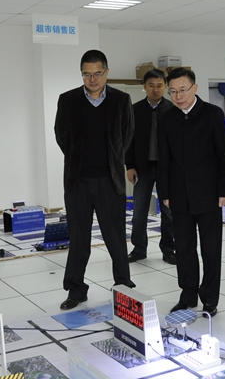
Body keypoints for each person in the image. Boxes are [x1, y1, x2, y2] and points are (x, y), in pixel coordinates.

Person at [54, 49, 134, 310]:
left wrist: (112, 158)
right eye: (86, 74)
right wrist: (78, 158)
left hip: (110, 181)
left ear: (106, 72)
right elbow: (61, 135)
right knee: (79, 239)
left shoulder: (121, 100)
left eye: (97, 73)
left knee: (115, 237)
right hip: (78, 182)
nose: (92, 79)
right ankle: (76, 289)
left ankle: (123, 286)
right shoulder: (68, 100)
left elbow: (127, 134)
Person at [157, 68, 225, 318]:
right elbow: (164, 159)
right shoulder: (167, 118)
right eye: (173, 92)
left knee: (211, 249)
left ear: (195, 88)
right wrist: (164, 192)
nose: (178, 96)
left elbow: (223, 155)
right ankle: (188, 295)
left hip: (209, 195)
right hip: (179, 196)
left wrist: (224, 190)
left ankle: (209, 298)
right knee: (185, 249)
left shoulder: (212, 114)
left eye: (182, 90)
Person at [125, 69, 177, 265]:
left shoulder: (173, 109)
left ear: (165, 87)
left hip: (167, 170)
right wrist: (129, 166)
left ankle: (169, 249)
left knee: (168, 212)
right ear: (144, 87)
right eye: (151, 85)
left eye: (159, 86)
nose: (156, 89)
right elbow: (128, 141)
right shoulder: (134, 110)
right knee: (139, 212)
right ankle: (139, 249)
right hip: (142, 168)